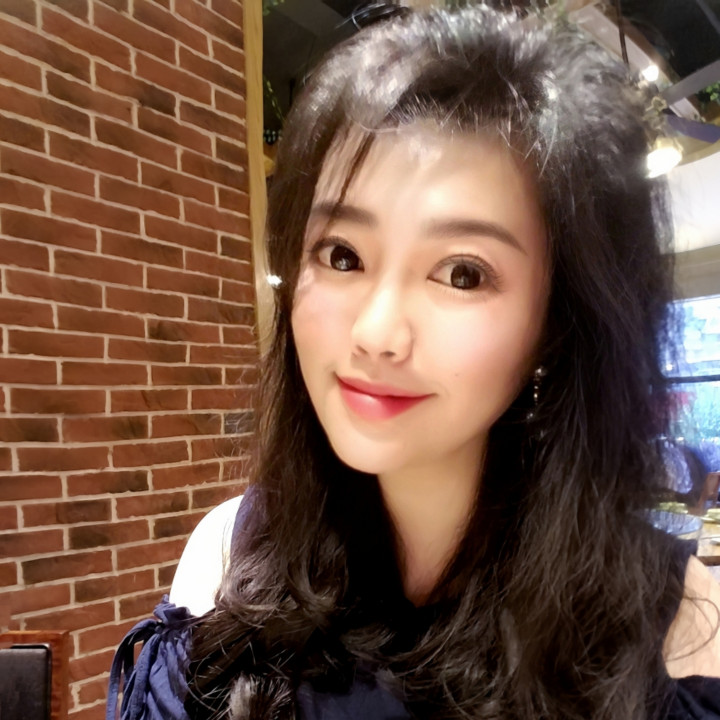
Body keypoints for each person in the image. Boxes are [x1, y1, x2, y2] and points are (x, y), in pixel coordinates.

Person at [106, 4, 720, 720]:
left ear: (556, 323)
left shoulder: (674, 620)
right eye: (342, 255)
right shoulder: (227, 559)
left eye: (462, 273)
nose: (376, 332)